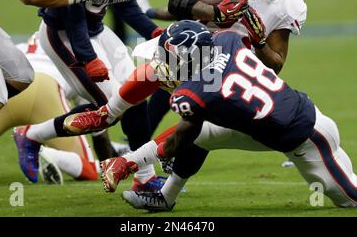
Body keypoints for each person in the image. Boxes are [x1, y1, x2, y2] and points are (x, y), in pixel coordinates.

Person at [64, 0, 307, 195]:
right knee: (165, 58)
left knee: (199, 122)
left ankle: (128, 161)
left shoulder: (288, 3)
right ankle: (106, 115)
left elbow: (274, 66)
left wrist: (259, 37)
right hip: (199, 47)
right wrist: (214, 13)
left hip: (236, 71)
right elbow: (177, 1)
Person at [86, 21, 357, 210]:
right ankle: (166, 198)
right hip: (272, 125)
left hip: (307, 137)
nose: (162, 66)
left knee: (349, 198)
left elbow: (176, 143)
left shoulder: (199, 92)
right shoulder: (226, 40)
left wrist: (128, 162)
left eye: (169, 60)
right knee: (204, 135)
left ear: (187, 61)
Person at [12, 0, 171, 191]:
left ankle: (144, 178)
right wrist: (88, 57)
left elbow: (122, 0)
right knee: (108, 108)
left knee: (135, 92)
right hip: (64, 31)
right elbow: (76, 3)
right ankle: (32, 134)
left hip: (95, 28)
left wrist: (154, 33)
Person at [136, 0, 237, 135]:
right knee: (171, 76)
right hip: (220, 19)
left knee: (188, 82)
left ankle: (153, 144)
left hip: (230, 23)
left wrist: (149, 12)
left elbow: (190, 5)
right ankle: (142, 141)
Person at [0, 33, 99, 184]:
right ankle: (44, 151)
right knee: (89, 168)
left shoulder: (34, 39)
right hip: (46, 90)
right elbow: (94, 115)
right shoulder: (86, 47)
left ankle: (34, 142)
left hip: (12, 88)